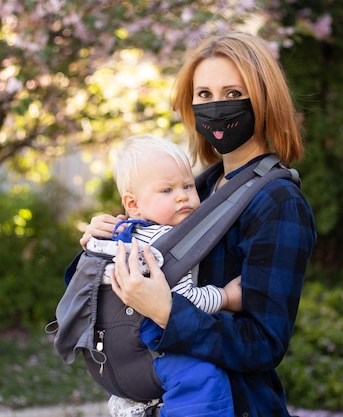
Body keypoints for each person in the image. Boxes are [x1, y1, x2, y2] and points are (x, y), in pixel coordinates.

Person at [79, 31, 317, 417]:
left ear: (264, 100)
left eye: (233, 94)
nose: (217, 107)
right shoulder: (197, 190)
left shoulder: (278, 204)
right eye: (204, 95)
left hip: (234, 405)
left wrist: (169, 312)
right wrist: (99, 245)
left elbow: (263, 343)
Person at [87, 133, 242, 417]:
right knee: (205, 375)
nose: (182, 195)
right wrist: (226, 296)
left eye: (187, 185)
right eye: (167, 191)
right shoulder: (163, 245)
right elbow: (182, 302)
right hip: (143, 355)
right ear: (132, 204)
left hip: (109, 362)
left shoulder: (122, 235)